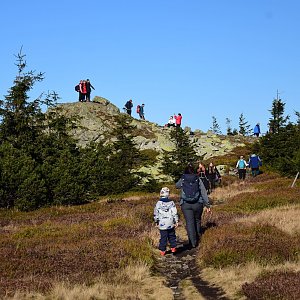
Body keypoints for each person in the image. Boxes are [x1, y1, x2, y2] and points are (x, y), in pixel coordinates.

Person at [176, 165, 211, 249]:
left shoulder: (183, 178)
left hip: (185, 204)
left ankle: (193, 243)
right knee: (197, 220)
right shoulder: (197, 179)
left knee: (189, 222)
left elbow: (177, 185)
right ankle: (198, 237)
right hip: (198, 203)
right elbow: (203, 192)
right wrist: (207, 205)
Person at [154, 187, 179, 256]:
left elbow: (156, 213)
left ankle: (163, 250)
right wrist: (176, 221)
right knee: (172, 235)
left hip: (162, 223)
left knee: (163, 237)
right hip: (170, 222)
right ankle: (173, 247)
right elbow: (174, 213)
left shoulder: (158, 203)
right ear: (168, 194)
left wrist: (156, 221)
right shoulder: (171, 203)